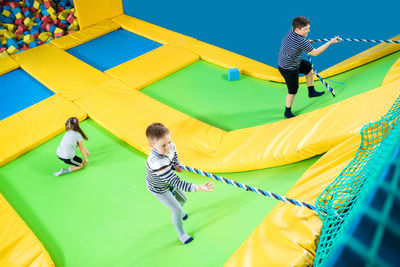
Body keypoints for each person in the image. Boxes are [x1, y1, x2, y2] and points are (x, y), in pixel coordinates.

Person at [146, 122, 214, 244]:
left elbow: (174, 159)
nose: (168, 147)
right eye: (163, 146)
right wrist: (198, 187)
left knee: (183, 200)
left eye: (169, 142)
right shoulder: (157, 163)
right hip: (159, 188)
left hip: (168, 180)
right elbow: (176, 182)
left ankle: (178, 208)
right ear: (152, 146)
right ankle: (182, 234)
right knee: (176, 210)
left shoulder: (170, 146)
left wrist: (176, 166)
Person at [278, 16, 340, 118]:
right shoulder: (300, 41)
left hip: (292, 61)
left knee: (308, 68)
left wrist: (307, 42)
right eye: (306, 29)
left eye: (308, 28)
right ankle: (287, 111)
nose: (308, 30)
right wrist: (331, 42)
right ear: (297, 29)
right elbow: (315, 53)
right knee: (293, 91)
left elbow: (298, 42)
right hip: (288, 68)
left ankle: (311, 91)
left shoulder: (292, 31)